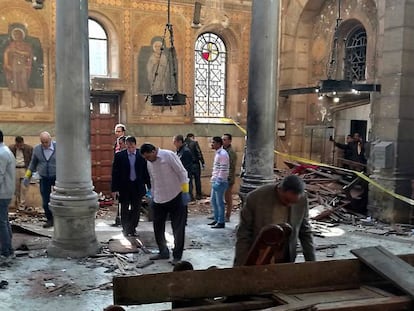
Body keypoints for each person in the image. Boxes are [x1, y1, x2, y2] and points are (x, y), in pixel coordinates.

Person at [234, 175, 316, 266]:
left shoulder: (302, 200)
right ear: (280, 189)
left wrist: (312, 263)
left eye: (294, 202)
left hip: (286, 256)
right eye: (287, 200)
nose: (289, 205)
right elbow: (244, 233)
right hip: (259, 255)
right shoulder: (256, 198)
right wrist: (240, 265)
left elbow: (305, 233)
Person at [140, 143, 189, 265]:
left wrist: (185, 191)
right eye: (145, 158)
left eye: (148, 157)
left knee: (178, 228)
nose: (147, 160)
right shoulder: (149, 163)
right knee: (158, 226)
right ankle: (163, 251)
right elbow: (153, 179)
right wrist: (152, 194)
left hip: (176, 196)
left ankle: (177, 256)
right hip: (159, 198)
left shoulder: (168, 156)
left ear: (153, 151)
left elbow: (182, 173)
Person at [111, 136, 150, 237]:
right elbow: (115, 173)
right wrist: (114, 189)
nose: (130, 149)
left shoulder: (141, 155)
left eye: (132, 147)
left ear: (135, 145)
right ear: (126, 145)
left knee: (136, 209)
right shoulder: (120, 156)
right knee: (124, 208)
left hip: (137, 186)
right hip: (124, 187)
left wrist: (149, 187)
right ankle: (125, 228)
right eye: (128, 147)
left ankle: (132, 228)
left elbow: (145, 172)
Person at [23, 132, 56, 228]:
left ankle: (60, 219)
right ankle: (50, 219)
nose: (45, 145)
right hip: (44, 178)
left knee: (60, 200)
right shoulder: (37, 149)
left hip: (57, 177)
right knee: (45, 201)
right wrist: (27, 176)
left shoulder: (58, 147)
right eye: (43, 142)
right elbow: (33, 164)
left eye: (46, 142)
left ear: (50, 139)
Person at [3, 26, 34, 108]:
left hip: (23, 66)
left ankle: (28, 102)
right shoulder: (11, 45)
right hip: (14, 65)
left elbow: (28, 54)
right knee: (16, 84)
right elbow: (6, 53)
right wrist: (7, 64)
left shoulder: (26, 45)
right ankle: (18, 103)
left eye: (18, 34)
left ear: (22, 35)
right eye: (15, 35)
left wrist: (17, 51)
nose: (17, 36)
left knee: (23, 83)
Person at [0, 130, 16, 263]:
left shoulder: (1, 153)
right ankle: (9, 249)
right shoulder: (5, 150)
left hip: (2, 193)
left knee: (2, 223)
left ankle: (5, 252)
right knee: (4, 221)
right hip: (6, 192)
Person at [208, 136, 229, 229]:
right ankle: (216, 219)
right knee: (214, 201)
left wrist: (219, 181)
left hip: (220, 182)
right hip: (216, 180)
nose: (212, 144)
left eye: (213, 142)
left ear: (218, 144)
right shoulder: (218, 153)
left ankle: (221, 222)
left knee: (219, 202)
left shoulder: (223, 154)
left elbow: (223, 169)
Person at [8, 136, 33, 209]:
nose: (19, 146)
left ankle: (22, 205)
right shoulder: (11, 148)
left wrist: (31, 171)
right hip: (15, 169)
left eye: (20, 144)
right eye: (17, 145)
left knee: (24, 187)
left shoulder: (29, 148)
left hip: (25, 169)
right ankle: (16, 203)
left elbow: (32, 160)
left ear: (23, 142)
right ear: (15, 143)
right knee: (16, 188)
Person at [184, 133, 205, 200]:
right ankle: (198, 195)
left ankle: (190, 196)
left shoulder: (184, 144)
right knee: (197, 180)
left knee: (189, 181)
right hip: (195, 164)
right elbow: (199, 152)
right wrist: (202, 162)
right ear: (192, 137)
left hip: (187, 165)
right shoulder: (194, 143)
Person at [222, 133, 237, 222]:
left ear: (229, 141)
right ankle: (220, 214)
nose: (223, 141)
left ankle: (227, 215)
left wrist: (229, 178)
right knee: (221, 197)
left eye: (225, 140)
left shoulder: (231, 152)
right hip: (222, 177)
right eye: (222, 139)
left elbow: (232, 167)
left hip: (228, 178)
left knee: (228, 197)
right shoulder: (222, 150)